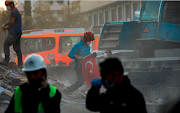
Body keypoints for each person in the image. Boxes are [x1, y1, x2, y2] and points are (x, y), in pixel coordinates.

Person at [0, 0, 22, 68]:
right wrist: (7, 28)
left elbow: (12, 21)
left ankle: (6, 60)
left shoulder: (14, 11)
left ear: (11, 5)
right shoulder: (17, 12)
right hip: (18, 32)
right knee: (17, 48)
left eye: (7, 6)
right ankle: (20, 64)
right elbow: (15, 24)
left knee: (6, 43)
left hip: (14, 32)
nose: (7, 7)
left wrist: (4, 24)